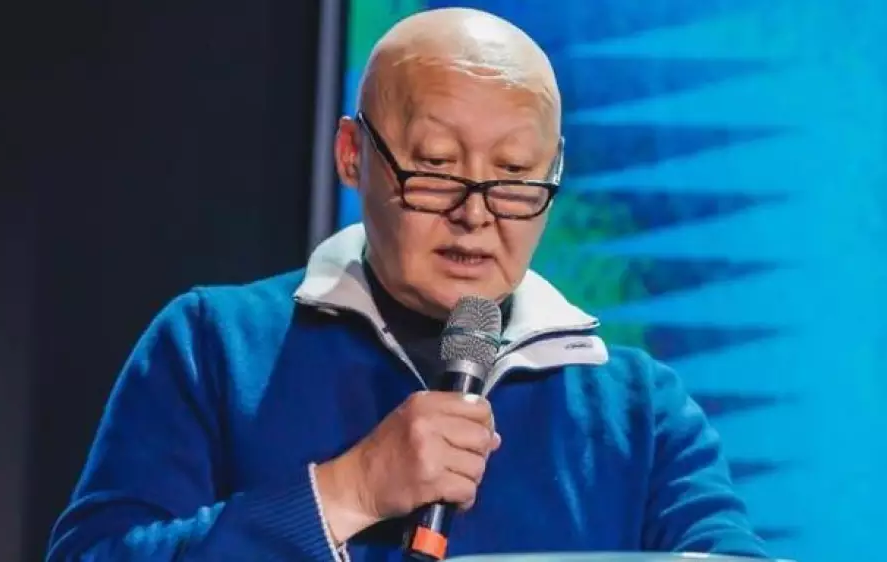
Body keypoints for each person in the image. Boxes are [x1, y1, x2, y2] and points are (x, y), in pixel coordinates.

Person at [47, 7, 768, 561]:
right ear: (352, 154)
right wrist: (348, 491)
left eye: (514, 174)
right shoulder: (213, 346)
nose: (475, 213)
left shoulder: (639, 407)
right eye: (437, 165)